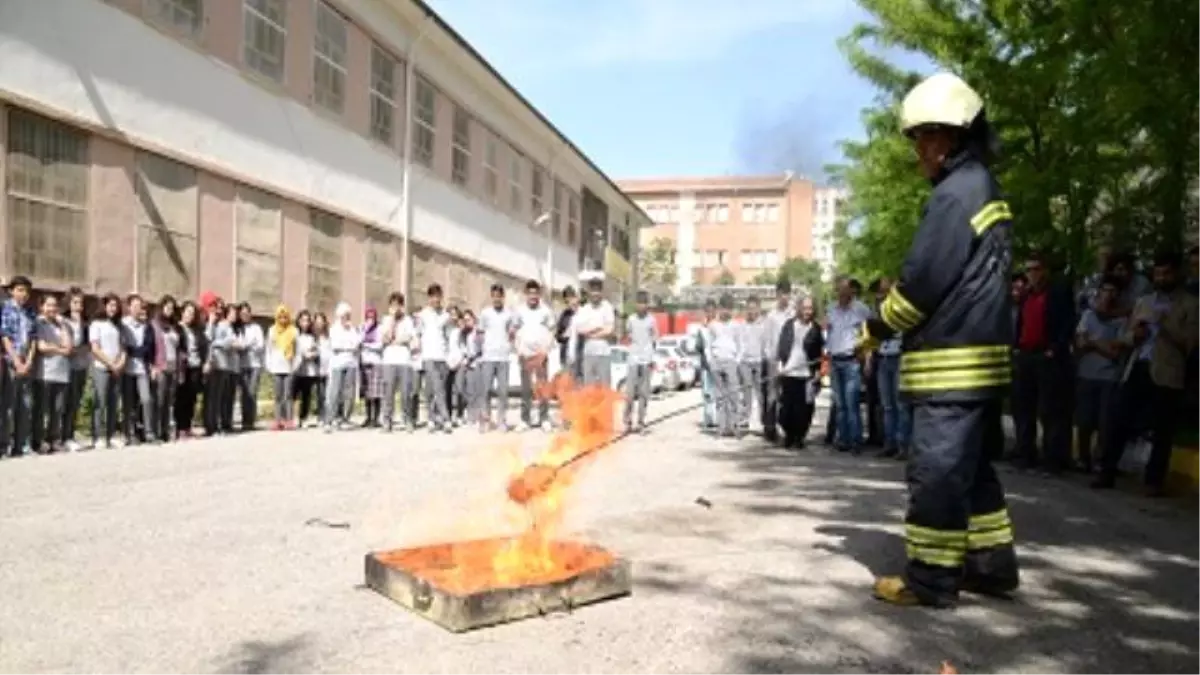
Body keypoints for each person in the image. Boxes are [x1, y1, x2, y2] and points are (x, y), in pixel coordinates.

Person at [861, 72, 1019, 607]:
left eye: (927, 138)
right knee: (973, 474)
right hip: (981, 366)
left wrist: (876, 326)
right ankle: (992, 567)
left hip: (951, 365)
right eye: (917, 139)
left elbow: (924, 282)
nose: (920, 152)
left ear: (954, 136)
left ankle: (930, 579)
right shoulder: (984, 187)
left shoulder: (954, 196)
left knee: (937, 473)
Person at [1094, 251, 1200, 495]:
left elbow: (1192, 342)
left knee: (1162, 429)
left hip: (1167, 372)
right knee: (1119, 420)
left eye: (1166, 273)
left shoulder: (1190, 305)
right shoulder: (1144, 302)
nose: (1161, 278)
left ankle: (1154, 481)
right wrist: (1134, 336)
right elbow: (1125, 336)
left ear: (1177, 274)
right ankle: (1107, 471)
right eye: (1157, 273)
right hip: (1139, 365)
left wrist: (1165, 326)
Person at [1012, 251, 1076, 473]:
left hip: (1047, 356)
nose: (1032, 274)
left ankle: (1053, 459)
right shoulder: (1026, 296)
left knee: (1050, 411)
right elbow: (1021, 323)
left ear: (1045, 271)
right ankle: (1025, 455)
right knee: (1023, 408)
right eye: (1028, 270)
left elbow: (1068, 324)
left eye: (1036, 269)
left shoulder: (1057, 293)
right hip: (1026, 355)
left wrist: (1054, 349)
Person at [1073, 276, 1126, 473]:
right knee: (1085, 420)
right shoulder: (1088, 315)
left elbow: (1116, 352)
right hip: (1086, 374)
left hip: (1109, 376)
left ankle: (1101, 460)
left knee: (1106, 422)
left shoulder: (1122, 320)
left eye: (1113, 291)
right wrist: (1102, 344)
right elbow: (1080, 343)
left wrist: (1093, 342)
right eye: (1105, 290)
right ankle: (1083, 458)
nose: (1108, 295)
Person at [826, 277, 871, 454]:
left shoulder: (861, 310)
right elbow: (828, 332)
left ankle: (855, 440)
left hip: (852, 361)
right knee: (840, 404)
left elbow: (869, 334)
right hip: (835, 360)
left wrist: (867, 358)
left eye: (844, 290)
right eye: (838, 290)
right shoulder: (831, 309)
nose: (841, 294)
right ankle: (843, 439)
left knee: (852, 403)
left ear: (851, 291)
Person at [776, 295, 824, 449]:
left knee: (804, 409)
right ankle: (788, 434)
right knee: (787, 408)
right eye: (804, 308)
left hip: (806, 374)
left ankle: (799, 437)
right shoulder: (789, 325)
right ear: (798, 309)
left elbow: (818, 352)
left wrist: (817, 372)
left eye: (810, 308)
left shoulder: (815, 329)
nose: (807, 312)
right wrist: (780, 366)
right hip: (789, 372)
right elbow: (782, 346)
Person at [32, 293, 73, 453]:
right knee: (42, 409)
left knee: (57, 409)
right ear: (42, 306)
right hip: (44, 372)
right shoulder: (38, 322)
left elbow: (69, 347)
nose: (52, 308)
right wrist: (59, 349)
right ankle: (38, 440)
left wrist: (62, 326)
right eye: (49, 305)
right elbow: (42, 347)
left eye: (55, 305)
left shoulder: (61, 325)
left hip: (61, 372)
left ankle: (54, 439)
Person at [1, 275, 37, 457]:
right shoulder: (6, 309)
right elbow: (5, 337)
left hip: (26, 361)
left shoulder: (30, 312)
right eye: (20, 290)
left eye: (26, 291)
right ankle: (4, 444)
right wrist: (16, 361)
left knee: (26, 404)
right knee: (9, 404)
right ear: (11, 291)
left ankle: (22, 444)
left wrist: (29, 360)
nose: (23, 294)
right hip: (10, 361)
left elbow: (33, 339)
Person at [514, 279, 555, 430]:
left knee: (542, 387)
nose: (532, 296)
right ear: (526, 294)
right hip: (525, 355)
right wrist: (518, 350)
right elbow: (514, 331)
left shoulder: (546, 311)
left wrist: (545, 351)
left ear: (539, 294)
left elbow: (552, 331)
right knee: (526, 389)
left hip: (541, 355)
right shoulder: (519, 311)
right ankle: (525, 420)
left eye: (535, 293)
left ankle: (544, 419)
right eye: (530, 293)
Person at [89, 293, 126, 450]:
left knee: (113, 404)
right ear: (104, 306)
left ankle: (110, 436)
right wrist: (111, 364)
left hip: (116, 369)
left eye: (116, 306)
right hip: (101, 367)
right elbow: (95, 349)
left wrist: (120, 364)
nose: (113, 308)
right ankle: (98, 436)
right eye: (110, 305)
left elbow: (123, 348)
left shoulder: (119, 326)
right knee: (100, 402)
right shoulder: (96, 324)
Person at [121, 294, 158, 446]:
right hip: (126, 368)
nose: (137, 309)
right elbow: (123, 346)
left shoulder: (146, 326)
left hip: (141, 368)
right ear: (129, 307)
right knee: (129, 402)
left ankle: (148, 432)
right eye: (134, 306)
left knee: (146, 399)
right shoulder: (123, 324)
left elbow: (150, 348)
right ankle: (129, 432)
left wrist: (151, 362)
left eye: (140, 306)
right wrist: (134, 351)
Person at [760, 279, 794, 443]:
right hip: (774, 360)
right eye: (782, 294)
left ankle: (788, 428)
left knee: (788, 396)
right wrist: (768, 358)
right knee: (772, 395)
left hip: (790, 360)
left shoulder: (793, 314)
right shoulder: (771, 316)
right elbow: (766, 339)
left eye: (787, 294)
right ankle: (770, 428)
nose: (784, 297)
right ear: (777, 294)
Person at [477, 284, 515, 431]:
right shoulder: (485, 313)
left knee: (503, 391)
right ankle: (485, 419)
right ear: (491, 297)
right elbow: (480, 333)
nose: (497, 299)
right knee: (486, 390)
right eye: (494, 296)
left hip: (503, 357)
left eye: (499, 296)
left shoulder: (509, 314)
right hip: (488, 357)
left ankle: (501, 420)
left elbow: (512, 333)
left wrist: (510, 343)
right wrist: (482, 350)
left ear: (503, 297)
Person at [416, 285, 452, 433]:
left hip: (442, 356)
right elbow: (418, 334)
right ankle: (445, 419)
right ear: (429, 298)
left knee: (436, 389)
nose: (435, 299)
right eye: (433, 297)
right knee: (436, 389)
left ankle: (432, 418)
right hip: (429, 355)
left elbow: (449, 337)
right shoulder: (422, 315)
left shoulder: (446, 316)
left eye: (438, 296)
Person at [706, 293, 743, 438]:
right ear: (719, 309)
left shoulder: (736, 326)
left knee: (733, 395)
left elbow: (741, 345)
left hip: (731, 362)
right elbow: (708, 345)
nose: (726, 311)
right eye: (724, 308)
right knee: (720, 397)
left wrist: (737, 361)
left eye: (729, 308)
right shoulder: (713, 325)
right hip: (717, 362)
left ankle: (734, 426)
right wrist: (711, 360)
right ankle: (721, 427)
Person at [380, 293, 417, 433]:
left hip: (404, 360)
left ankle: (408, 419)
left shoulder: (408, 321)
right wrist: (392, 322)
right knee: (388, 392)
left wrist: (401, 339)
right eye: (393, 304)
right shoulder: (386, 320)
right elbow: (385, 339)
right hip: (389, 359)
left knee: (406, 392)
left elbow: (409, 337)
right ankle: (387, 421)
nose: (396, 308)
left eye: (398, 304)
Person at [623, 290, 657, 433]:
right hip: (633, 358)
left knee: (644, 392)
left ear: (647, 305)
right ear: (635, 304)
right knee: (630, 392)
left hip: (646, 358)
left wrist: (650, 355)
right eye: (639, 303)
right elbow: (628, 335)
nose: (641, 306)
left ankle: (641, 421)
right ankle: (627, 420)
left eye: (643, 303)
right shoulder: (631, 319)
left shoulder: (651, 320)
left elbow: (655, 337)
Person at [325, 302, 362, 433]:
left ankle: (344, 418)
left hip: (351, 363)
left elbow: (357, 343)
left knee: (349, 393)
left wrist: (349, 344)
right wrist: (349, 346)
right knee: (335, 392)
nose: (346, 318)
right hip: (338, 364)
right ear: (339, 315)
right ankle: (330, 418)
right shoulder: (334, 329)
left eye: (348, 315)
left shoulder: (352, 329)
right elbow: (335, 345)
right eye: (344, 315)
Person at [573, 278, 616, 388]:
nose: (595, 293)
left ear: (601, 292)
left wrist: (592, 334)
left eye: (597, 290)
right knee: (589, 387)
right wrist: (597, 327)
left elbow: (609, 329)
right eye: (593, 290)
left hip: (604, 353)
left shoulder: (607, 307)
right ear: (589, 292)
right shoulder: (584, 309)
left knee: (605, 386)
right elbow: (580, 329)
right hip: (589, 353)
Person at [63, 287, 90, 452]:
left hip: (81, 365)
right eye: (75, 302)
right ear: (68, 303)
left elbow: (87, 345)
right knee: (65, 402)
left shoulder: (85, 322)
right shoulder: (63, 321)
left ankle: (70, 434)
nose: (78, 305)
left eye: (80, 302)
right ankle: (62, 436)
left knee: (75, 402)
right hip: (66, 366)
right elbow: (68, 345)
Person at [174, 301, 206, 439]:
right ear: (182, 313)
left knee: (192, 398)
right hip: (182, 367)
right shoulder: (177, 328)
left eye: (193, 313)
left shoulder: (196, 330)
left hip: (195, 366)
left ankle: (188, 426)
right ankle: (180, 427)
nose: (190, 316)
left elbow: (202, 346)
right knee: (181, 397)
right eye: (188, 312)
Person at [152, 296, 181, 442]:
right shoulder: (155, 325)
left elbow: (178, 347)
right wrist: (153, 366)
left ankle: (165, 431)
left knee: (169, 401)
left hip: (173, 366)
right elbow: (151, 347)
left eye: (172, 308)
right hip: (161, 366)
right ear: (161, 307)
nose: (170, 311)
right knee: (159, 400)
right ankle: (155, 430)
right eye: (167, 307)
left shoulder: (174, 326)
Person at [266, 305, 299, 431]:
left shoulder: (294, 331)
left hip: (289, 368)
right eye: (280, 317)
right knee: (278, 395)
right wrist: (269, 365)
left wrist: (295, 366)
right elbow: (268, 349)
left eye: (285, 317)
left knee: (288, 395)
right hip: (276, 367)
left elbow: (298, 351)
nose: (283, 320)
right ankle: (278, 420)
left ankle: (289, 420)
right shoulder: (272, 331)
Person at [738, 296, 766, 434]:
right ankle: (745, 418)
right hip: (745, 363)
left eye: (754, 308)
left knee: (761, 392)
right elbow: (740, 344)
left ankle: (763, 420)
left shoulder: (764, 325)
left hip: (760, 361)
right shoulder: (742, 325)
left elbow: (766, 344)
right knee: (747, 391)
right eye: (749, 309)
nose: (751, 311)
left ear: (759, 309)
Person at [237, 303, 264, 432]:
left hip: (255, 365)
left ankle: (250, 420)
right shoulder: (237, 328)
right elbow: (236, 345)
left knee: (252, 393)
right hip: (242, 365)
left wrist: (246, 346)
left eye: (247, 313)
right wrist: (248, 345)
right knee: (244, 394)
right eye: (242, 313)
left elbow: (260, 345)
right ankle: (244, 421)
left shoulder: (256, 328)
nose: (245, 315)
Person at [359, 307, 384, 428]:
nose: (370, 319)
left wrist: (367, 345)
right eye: (368, 317)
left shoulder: (379, 328)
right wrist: (365, 331)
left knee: (376, 392)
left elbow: (379, 345)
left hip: (376, 362)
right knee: (367, 392)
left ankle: (376, 418)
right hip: (365, 362)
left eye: (372, 317)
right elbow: (358, 341)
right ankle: (368, 417)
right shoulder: (362, 328)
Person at [554, 286, 581, 383]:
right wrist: (564, 335)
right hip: (566, 354)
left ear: (576, 298)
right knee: (567, 383)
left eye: (571, 298)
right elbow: (557, 336)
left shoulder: (584, 313)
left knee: (579, 383)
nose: (570, 302)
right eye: (567, 301)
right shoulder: (565, 314)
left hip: (580, 355)